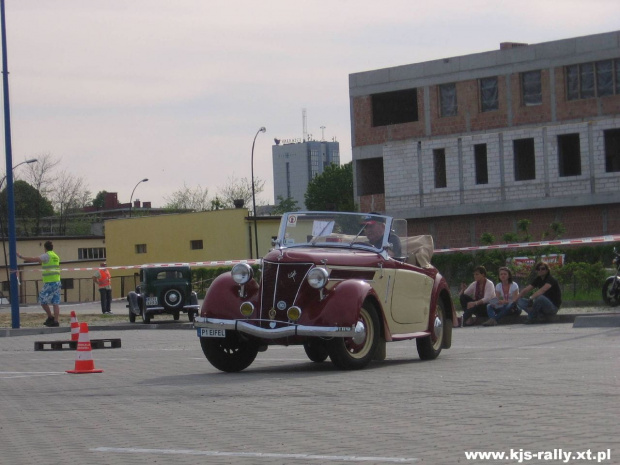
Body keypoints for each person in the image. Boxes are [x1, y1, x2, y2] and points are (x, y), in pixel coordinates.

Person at [17, 240, 61, 327]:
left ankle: (50, 317)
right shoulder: (56, 256)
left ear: (45, 248)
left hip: (49, 282)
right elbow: (44, 262)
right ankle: (56, 321)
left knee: (42, 300)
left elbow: (34, 259)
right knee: (55, 302)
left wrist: (21, 257)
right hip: (57, 281)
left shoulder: (46, 255)